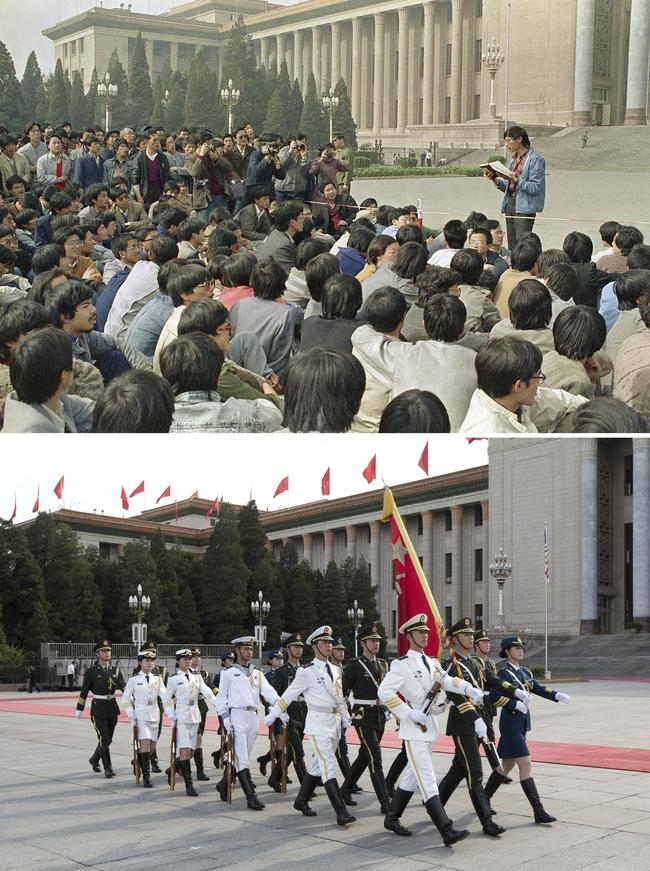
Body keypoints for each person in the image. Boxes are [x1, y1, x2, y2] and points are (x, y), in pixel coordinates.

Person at [378, 613, 484, 845]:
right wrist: (408, 712)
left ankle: (392, 817)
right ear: (409, 636)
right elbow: (384, 692)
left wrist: (468, 688)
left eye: (426, 632)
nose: (425, 636)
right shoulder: (401, 664)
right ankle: (446, 830)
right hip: (414, 727)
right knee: (427, 778)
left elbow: (446, 681)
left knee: (411, 777)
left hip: (428, 727)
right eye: (420, 632)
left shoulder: (432, 662)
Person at [437, 618, 526, 836]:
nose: (471, 637)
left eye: (471, 634)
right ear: (455, 639)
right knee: (474, 772)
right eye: (466, 635)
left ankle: (435, 806)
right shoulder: (450, 664)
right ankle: (486, 821)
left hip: (479, 722)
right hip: (463, 724)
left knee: (459, 768)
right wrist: (474, 719)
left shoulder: (475, 662)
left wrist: (514, 691)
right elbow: (455, 696)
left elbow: (492, 680)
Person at [265, 625, 357, 827]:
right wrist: (272, 715)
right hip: (317, 724)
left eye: (330, 642)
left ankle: (301, 800)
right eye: (324, 642)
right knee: (327, 766)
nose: (329, 646)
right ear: (315, 646)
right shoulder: (306, 671)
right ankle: (340, 812)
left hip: (334, 723)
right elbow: (287, 696)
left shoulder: (336, 669)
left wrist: (345, 717)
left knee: (318, 766)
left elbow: (340, 698)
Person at [485, 636, 571, 823]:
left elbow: (537, 688)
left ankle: (483, 798)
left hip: (521, 725)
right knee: (526, 765)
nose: (521, 650)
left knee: (506, 766)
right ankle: (538, 811)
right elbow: (493, 697)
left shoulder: (524, 672)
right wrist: (514, 705)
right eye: (516, 647)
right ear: (507, 651)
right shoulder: (503, 674)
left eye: (522, 647)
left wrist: (557, 695)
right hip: (510, 726)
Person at [460, 337, 587, 434]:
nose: (540, 381)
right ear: (519, 386)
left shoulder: (508, 399)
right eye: (538, 376)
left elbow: (564, 401)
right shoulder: (487, 432)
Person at [214, 635, 282, 810]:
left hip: (253, 717)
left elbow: (269, 692)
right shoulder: (228, 673)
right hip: (236, 716)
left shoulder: (257, 673)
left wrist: (280, 707)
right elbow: (220, 699)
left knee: (241, 757)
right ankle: (251, 797)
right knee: (243, 759)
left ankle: (223, 784)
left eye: (251, 649)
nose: (249, 652)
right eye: (246, 649)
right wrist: (225, 718)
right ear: (236, 650)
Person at [3, 326, 95, 433]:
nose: (74, 364)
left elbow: (94, 411)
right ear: (64, 376)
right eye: (71, 360)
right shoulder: (32, 432)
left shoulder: (54, 399)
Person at [340, 624, 392, 812]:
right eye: (372, 640)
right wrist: (344, 714)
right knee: (375, 757)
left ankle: (345, 789)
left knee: (365, 755)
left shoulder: (383, 664)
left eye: (378, 640)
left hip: (379, 714)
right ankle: (386, 802)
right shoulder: (354, 665)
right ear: (363, 643)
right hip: (362, 715)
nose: (376, 644)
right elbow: (342, 692)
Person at [162, 648, 218, 797]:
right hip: (181, 716)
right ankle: (189, 784)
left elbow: (206, 691)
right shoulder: (173, 679)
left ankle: (173, 769)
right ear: (178, 661)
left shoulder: (197, 677)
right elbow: (166, 699)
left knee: (193, 750)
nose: (187, 661)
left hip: (195, 715)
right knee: (185, 751)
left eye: (189, 659)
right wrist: (171, 714)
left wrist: (218, 703)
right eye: (184, 659)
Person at [484, 125, 546, 249]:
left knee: (522, 244)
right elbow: (508, 186)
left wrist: (515, 180)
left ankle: (523, 266)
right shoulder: (512, 161)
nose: (506, 145)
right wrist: (495, 180)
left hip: (525, 207)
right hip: (510, 203)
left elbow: (535, 187)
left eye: (508, 140)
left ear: (519, 139)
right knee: (512, 243)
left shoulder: (534, 160)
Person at [74, 639, 125, 778]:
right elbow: (84, 691)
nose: (107, 653)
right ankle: (108, 767)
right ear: (98, 654)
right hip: (98, 709)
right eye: (104, 651)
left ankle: (94, 759)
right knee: (104, 738)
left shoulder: (116, 670)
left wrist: (131, 696)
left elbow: (123, 686)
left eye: (109, 650)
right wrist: (80, 708)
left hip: (112, 708)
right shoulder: (91, 671)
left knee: (108, 740)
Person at [268, 633, 309, 790]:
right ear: (288, 649)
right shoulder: (281, 672)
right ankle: (306, 788)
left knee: (291, 753)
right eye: (295, 647)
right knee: (298, 751)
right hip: (289, 714)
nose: (299, 650)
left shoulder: (305, 670)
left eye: (300, 647)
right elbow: (275, 696)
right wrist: (279, 714)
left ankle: (274, 778)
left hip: (303, 712)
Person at [121, 648, 166, 788]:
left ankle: (138, 762)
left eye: (152, 660)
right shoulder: (134, 679)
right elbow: (125, 698)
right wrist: (130, 712)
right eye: (147, 660)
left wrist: (172, 710)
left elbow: (164, 696)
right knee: (145, 744)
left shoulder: (157, 679)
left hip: (154, 714)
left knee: (151, 748)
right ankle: (146, 777)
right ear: (140, 663)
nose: (150, 663)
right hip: (140, 715)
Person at [189, 648, 213, 783]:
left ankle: (178, 765)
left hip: (201, 707)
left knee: (198, 740)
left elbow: (210, 687)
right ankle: (200, 770)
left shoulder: (203, 674)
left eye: (199, 656)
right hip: (190, 708)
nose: (197, 659)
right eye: (193, 656)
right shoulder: (184, 674)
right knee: (197, 739)